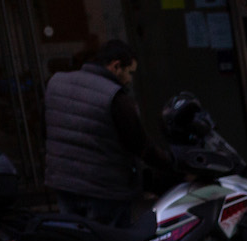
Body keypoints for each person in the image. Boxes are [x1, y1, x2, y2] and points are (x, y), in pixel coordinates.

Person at [43, 39, 168, 228]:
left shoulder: (56, 84)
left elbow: (47, 131)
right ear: (116, 66)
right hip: (104, 188)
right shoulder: (114, 96)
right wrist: (171, 167)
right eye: (129, 72)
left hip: (64, 183)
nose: (130, 79)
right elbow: (140, 145)